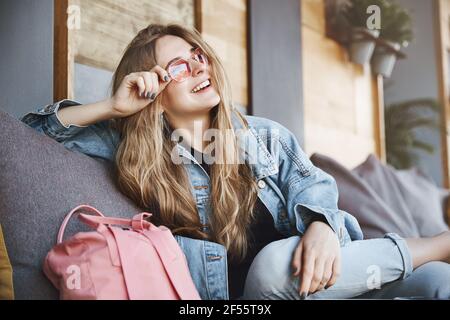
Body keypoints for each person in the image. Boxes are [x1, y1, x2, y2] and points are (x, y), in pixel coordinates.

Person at [21, 24, 450, 300]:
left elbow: (314, 189)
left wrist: (321, 226)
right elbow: (32, 136)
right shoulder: (139, 154)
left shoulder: (262, 135)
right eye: (178, 66)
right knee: (270, 271)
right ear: (154, 88)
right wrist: (113, 106)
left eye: (199, 56)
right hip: (260, 296)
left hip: (332, 282)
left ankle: (434, 254)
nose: (197, 66)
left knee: (436, 283)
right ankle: (435, 245)